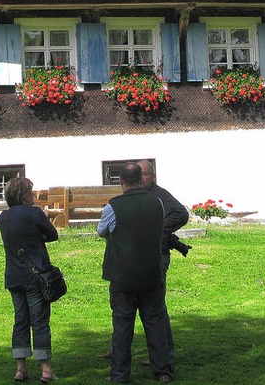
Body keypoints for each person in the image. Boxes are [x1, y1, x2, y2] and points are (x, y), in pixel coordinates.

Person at [97, 162, 174, 383]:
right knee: (155, 322)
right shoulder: (157, 203)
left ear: (120, 181)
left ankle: (120, 375)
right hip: (151, 272)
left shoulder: (113, 207)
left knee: (122, 326)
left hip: (123, 276)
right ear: (141, 179)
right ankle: (163, 370)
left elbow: (102, 231)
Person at [0, 177, 60, 383]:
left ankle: (20, 368)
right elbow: (53, 234)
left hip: (14, 276)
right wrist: (37, 239)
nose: (33, 196)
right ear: (22, 195)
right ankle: (46, 370)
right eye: (30, 193)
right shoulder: (35, 213)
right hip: (35, 277)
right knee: (40, 321)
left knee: (20, 321)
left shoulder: (3, 217)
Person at [136, 159, 189, 365]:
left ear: (153, 176)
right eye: (138, 175)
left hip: (158, 256)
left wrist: (156, 228)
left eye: (145, 174)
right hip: (139, 256)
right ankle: (155, 354)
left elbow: (181, 214)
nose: (141, 179)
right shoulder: (140, 195)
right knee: (140, 305)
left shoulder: (159, 195)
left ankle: (164, 354)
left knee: (156, 306)